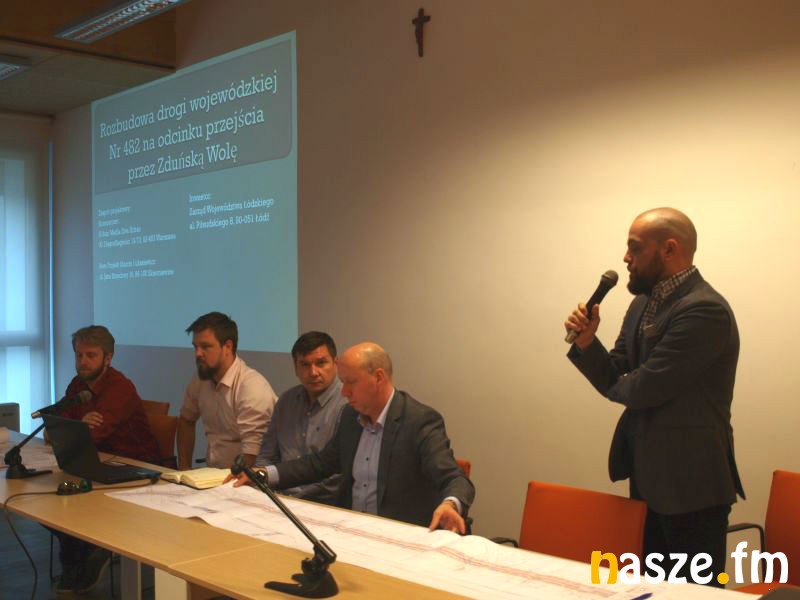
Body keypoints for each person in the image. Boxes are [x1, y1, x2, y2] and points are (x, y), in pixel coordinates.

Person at [564, 207, 744, 586]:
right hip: (649, 477)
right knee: (652, 590)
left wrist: (620, 385)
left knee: (692, 595)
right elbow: (617, 368)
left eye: (635, 248)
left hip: (691, 487)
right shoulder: (642, 303)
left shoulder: (704, 310)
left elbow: (643, 389)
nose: (625, 258)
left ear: (669, 249)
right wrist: (587, 342)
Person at [234, 342, 474, 533]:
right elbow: (321, 463)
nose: (344, 392)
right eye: (342, 382)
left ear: (378, 377)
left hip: (396, 536)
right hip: (351, 531)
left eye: (350, 382)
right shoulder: (351, 416)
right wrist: (264, 474)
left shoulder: (419, 421)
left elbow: (453, 478)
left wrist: (450, 504)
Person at [55, 325, 159, 595]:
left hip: (134, 468)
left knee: (64, 503)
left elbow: (93, 433)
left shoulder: (119, 387)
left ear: (108, 358)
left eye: (91, 355)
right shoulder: (78, 385)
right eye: (79, 355)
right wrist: (79, 423)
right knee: (52, 505)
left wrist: (76, 427)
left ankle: (86, 554)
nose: (83, 362)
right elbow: (57, 428)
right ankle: (79, 557)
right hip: (96, 463)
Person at [248, 331, 346, 503]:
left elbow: (338, 475)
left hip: (323, 503)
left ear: (335, 364)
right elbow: (267, 456)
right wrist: (263, 489)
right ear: (295, 368)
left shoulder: (348, 404)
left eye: (321, 363)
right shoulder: (286, 401)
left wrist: (295, 499)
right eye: (305, 365)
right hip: (278, 497)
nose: (313, 372)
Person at [178, 311, 276, 470]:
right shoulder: (200, 379)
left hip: (246, 477)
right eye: (195, 347)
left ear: (228, 347)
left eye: (205, 347)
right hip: (212, 474)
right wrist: (184, 470)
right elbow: (186, 420)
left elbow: (252, 456)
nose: (198, 354)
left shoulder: (252, 387)